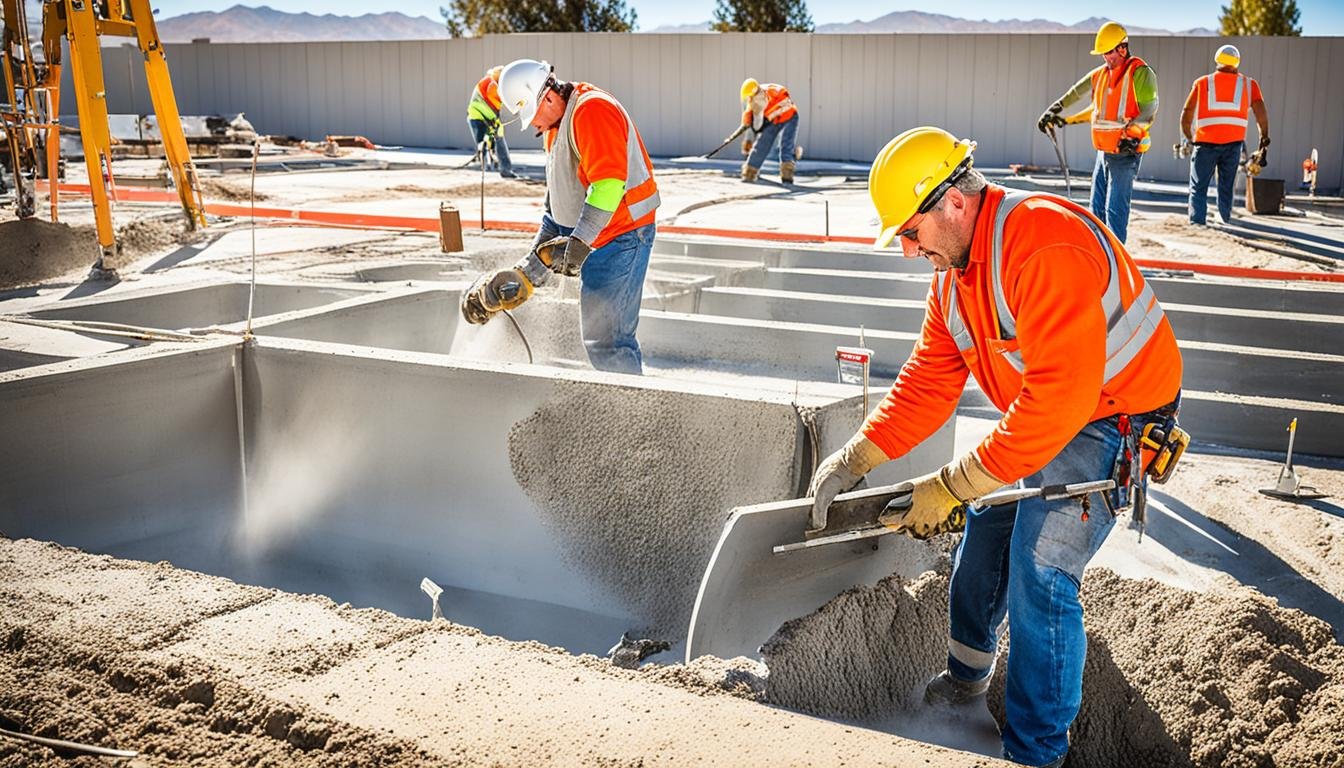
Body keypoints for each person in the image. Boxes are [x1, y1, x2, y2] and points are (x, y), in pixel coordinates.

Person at [808, 126, 1183, 767]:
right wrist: (860, 455)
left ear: (952, 202)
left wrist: (952, 483)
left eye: (909, 230)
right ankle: (965, 683)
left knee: (1042, 560)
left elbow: (1061, 403)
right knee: (985, 525)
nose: (906, 249)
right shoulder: (956, 273)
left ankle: (1036, 752)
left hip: (1115, 418)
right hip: (1052, 409)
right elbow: (929, 378)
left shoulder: (1040, 243)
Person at [459, 59, 660, 376]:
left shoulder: (592, 111)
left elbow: (608, 186)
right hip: (596, 236)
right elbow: (555, 214)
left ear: (548, 97)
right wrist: (527, 273)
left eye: (532, 116)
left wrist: (579, 243)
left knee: (607, 342)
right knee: (597, 338)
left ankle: (632, 416)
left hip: (623, 236)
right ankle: (613, 400)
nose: (534, 127)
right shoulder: (555, 127)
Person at [1037, 21, 1157, 243]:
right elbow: (1081, 98)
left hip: (1125, 153)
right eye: (1103, 54)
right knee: (1095, 210)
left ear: (1123, 48)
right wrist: (1058, 115)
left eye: (1110, 53)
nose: (1106, 58)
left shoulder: (1140, 73)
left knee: (1115, 212)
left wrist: (1132, 135)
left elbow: (1149, 110)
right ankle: (1098, 256)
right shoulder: (1101, 75)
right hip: (1103, 152)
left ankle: (1116, 261)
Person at [1180, 44, 1270, 225]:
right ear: (1237, 62)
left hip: (1204, 144)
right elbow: (1262, 116)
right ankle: (1224, 219)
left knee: (1198, 187)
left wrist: (1188, 138)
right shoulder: (1249, 84)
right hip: (1233, 145)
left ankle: (1197, 223)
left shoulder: (1202, 82)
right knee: (1226, 187)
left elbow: (1187, 112)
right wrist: (1263, 141)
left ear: (1217, 60)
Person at [739, 78, 801, 184]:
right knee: (762, 143)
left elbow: (785, 99)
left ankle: (787, 174)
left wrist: (767, 114)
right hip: (774, 121)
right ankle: (750, 172)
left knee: (786, 145)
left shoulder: (774, 91)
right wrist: (748, 139)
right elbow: (748, 124)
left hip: (790, 116)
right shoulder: (752, 106)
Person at [466, 65, 516, 178]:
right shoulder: (491, 83)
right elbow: (497, 99)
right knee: (487, 143)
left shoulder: (490, 82)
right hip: (480, 117)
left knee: (494, 141)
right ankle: (492, 169)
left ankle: (500, 168)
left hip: (484, 118)